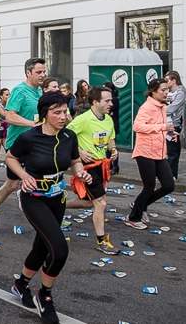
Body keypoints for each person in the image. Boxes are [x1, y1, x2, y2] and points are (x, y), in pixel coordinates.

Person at [7, 92, 91, 324]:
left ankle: (20, 284)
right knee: (59, 249)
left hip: (57, 198)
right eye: (57, 112)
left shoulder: (69, 136)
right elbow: (10, 158)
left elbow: (74, 160)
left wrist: (80, 172)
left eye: (65, 112)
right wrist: (24, 175)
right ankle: (44, 296)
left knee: (42, 246)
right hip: (34, 198)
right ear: (45, 114)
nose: (64, 116)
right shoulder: (29, 137)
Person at [0, 58, 46, 234]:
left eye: (44, 71)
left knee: (37, 179)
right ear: (28, 73)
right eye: (39, 72)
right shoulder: (19, 90)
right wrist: (31, 124)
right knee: (12, 183)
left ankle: (38, 211)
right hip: (18, 145)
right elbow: (9, 116)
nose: (42, 75)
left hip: (35, 144)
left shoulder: (39, 90)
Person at [66, 87, 118, 255]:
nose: (111, 103)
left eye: (111, 100)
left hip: (101, 166)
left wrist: (114, 149)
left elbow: (110, 139)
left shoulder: (108, 119)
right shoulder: (83, 119)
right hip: (86, 167)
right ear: (95, 102)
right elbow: (66, 136)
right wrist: (79, 151)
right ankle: (101, 241)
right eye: (107, 101)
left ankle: (58, 205)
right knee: (100, 203)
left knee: (90, 202)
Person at [126, 79, 176, 230]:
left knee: (169, 185)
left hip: (159, 152)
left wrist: (170, 134)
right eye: (163, 90)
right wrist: (163, 127)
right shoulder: (147, 107)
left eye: (167, 89)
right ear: (153, 91)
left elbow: (158, 128)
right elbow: (137, 126)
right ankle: (133, 218)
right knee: (149, 186)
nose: (166, 93)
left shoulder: (162, 106)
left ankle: (139, 205)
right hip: (145, 152)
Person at [164, 71, 186, 179]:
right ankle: (165, 173)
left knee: (173, 150)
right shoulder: (167, 91)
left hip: (174, 124)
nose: (165, 82)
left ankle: (172, 174)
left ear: (174, 80)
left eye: (167, 80)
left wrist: (158, 110)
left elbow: (172, 108)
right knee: (166, 149)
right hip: (164, 123)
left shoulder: (180, 92)